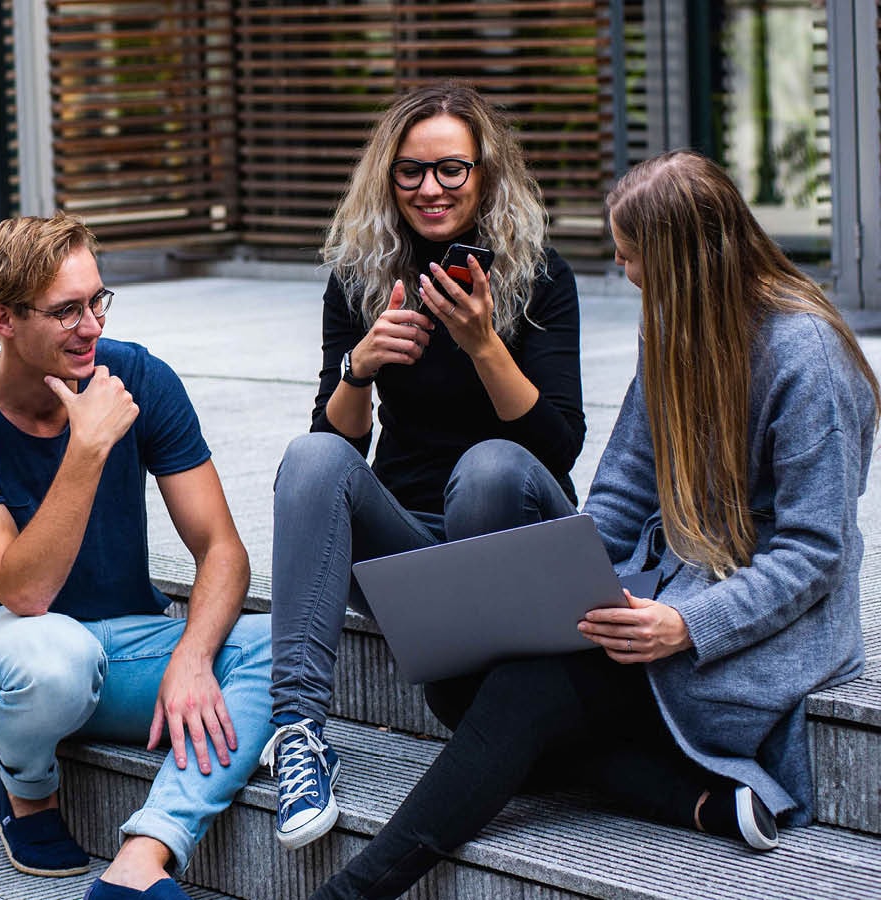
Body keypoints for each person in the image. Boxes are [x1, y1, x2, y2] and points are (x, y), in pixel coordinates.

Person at [310, 149, 880, 899]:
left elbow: (813, 555)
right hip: (663, 588)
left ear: (685, 257)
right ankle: (689, 797)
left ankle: (353, 891)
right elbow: (619, 494)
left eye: (631, 253)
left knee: (523, 691)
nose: (623, 269)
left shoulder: (808, 358)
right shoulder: (675, 328)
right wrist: (555, 586)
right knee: (460, 683)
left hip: (762, 628)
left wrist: (686, 624)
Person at [0, 213, 273, 900]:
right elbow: (25, 592)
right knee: (54, 657)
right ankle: (26, 789)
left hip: (126, 642)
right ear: (3, 318)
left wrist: (191, 660)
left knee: (278, 645)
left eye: (97, 300)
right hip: (8, 653)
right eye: (66, 310)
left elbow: (222, 548)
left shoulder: (135, 375)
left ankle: (143, 856)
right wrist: (87, 445)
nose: (91, 326)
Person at [263, 81, 585, 849]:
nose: (430, 189)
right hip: (412, 552)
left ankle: (497, 699)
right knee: (309, 458)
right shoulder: (360, 277)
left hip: (513, 536)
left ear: (486, 174)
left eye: (451, 169)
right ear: (387, 176)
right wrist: (359, 368)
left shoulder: (541, 277)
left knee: (489, 469)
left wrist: (483, 344)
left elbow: (558, 446)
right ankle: (299, 735)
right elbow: (334, 454)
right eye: (410, 171)